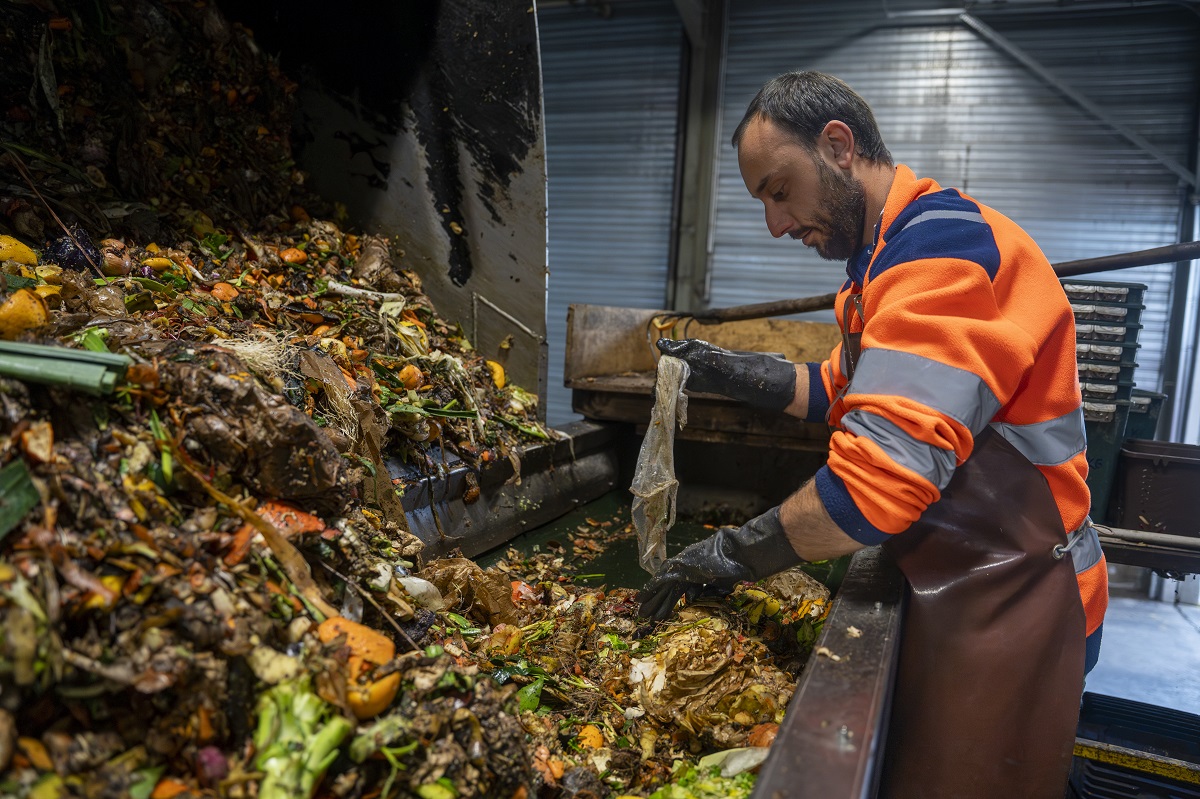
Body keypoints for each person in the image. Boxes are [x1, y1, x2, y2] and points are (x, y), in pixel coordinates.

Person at [638, 71, 1108, 798]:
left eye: (778, 189)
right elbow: (840, 390)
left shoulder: (942, 250)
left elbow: (872, 489)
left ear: (837, 146)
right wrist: (721, 367)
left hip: (1020, 594)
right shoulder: (882, 262)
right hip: (964, 571)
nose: (775, 222)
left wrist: (726, 554)